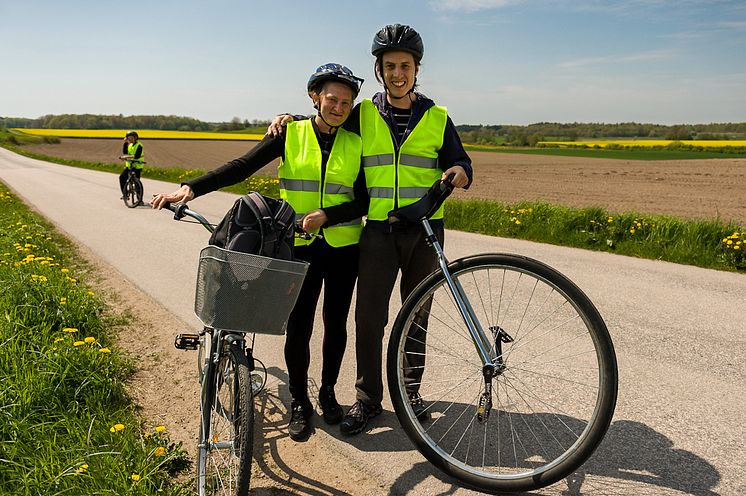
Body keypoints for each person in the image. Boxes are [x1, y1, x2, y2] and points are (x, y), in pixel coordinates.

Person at [268, 24, 473, 435]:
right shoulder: (362, 114)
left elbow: (462, 164)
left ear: (417, 69)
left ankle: (410, 392)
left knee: (418, 316)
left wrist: (458, 174)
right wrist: (287, 119)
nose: (398, 73)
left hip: (426, 231)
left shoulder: (437, 116)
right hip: (378, 231)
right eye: (390, 66)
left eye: (406, 66)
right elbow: (324, 122)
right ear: (379, 71)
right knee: (369, 318)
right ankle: (367, 400)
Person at [152, 63, 367, 442]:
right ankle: (299, 401)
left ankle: (329, 393)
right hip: (294, 247)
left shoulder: (357, 140)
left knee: (336, 325)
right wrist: (191, 188)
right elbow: (242, 167)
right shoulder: (290, 132)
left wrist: (329, 215)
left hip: (344, 247)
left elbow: (365, 198)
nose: (338, 107)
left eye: (346, 102)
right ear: (315, 97)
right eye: (332, 99)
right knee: (299, 326)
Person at [119, 130, 144, 199]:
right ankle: (125, 194)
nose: (129, 139)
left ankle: (139, 200)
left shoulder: (139, 145)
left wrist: (126, 157)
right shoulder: (129, 145)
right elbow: (125, 152)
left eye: (131, 138)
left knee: (137, 182)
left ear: (135, 138)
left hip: (137, 166)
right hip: (129, 165)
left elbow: (137, 156)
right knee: (122, 177)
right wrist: (125, 143)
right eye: (128, 138)